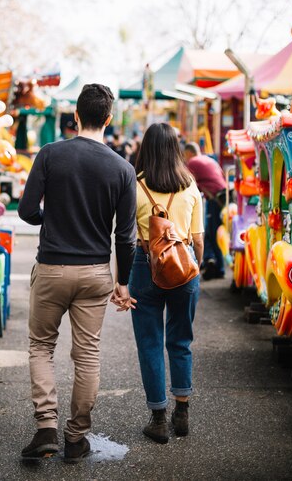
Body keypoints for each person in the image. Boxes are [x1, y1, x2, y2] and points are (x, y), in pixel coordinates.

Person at [18, 83, 137, 463]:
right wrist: (122, 283)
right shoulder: (122, 168)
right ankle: (76, 437)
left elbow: (25, 210)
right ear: (108, 119)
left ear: (75, 115)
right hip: (94, 273)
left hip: (52, 267)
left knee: (41, 346)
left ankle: (46, 428)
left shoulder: (51, 154)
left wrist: (46, 219)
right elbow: (126, 236)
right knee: (87, 356)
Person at [113, 123, 203, 444]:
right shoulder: (190, 185)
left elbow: (123, 237)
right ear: (176, 148)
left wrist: (120, 279)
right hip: (184, 264)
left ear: (145, 149)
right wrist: (195, 267)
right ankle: (183, 412)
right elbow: (197, 239)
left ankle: (158, 419)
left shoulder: (134, 186)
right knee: (181, 341)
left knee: (150, 342)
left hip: (143, 263)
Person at [184, 142, 227, 280]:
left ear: (189, 153)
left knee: (212, 233)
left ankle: (219, 268)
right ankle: (213, 263)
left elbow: (187, 183)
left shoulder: (192, 162)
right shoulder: (209, 159)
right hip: (222, 197)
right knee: (212, 232)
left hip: (214, 199)